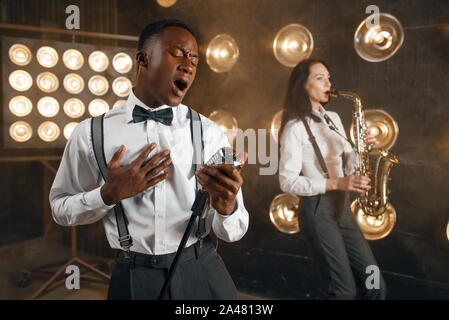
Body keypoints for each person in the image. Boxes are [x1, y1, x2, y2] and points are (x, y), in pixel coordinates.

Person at [50, 19, 249, 300]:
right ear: (143, 58)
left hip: (201, 266)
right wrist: (107, 194)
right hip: (134, 274)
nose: (188, 65)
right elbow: (59, 208)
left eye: (194, 58)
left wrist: (227, 207)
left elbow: (232, 232)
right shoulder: (90, 133)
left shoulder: (208, 131)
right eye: (178, 52)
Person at [278, 57, 386, 300]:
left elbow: (348, 168)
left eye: (328, 78)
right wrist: (337, 183)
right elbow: (287, 181)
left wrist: (360, 148)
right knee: (344, 291)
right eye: (319, 78)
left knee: (375, 283)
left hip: (342, 207)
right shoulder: (294, 127)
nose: (328, 83)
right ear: (302, 85)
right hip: (318, 210)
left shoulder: (334, 119)